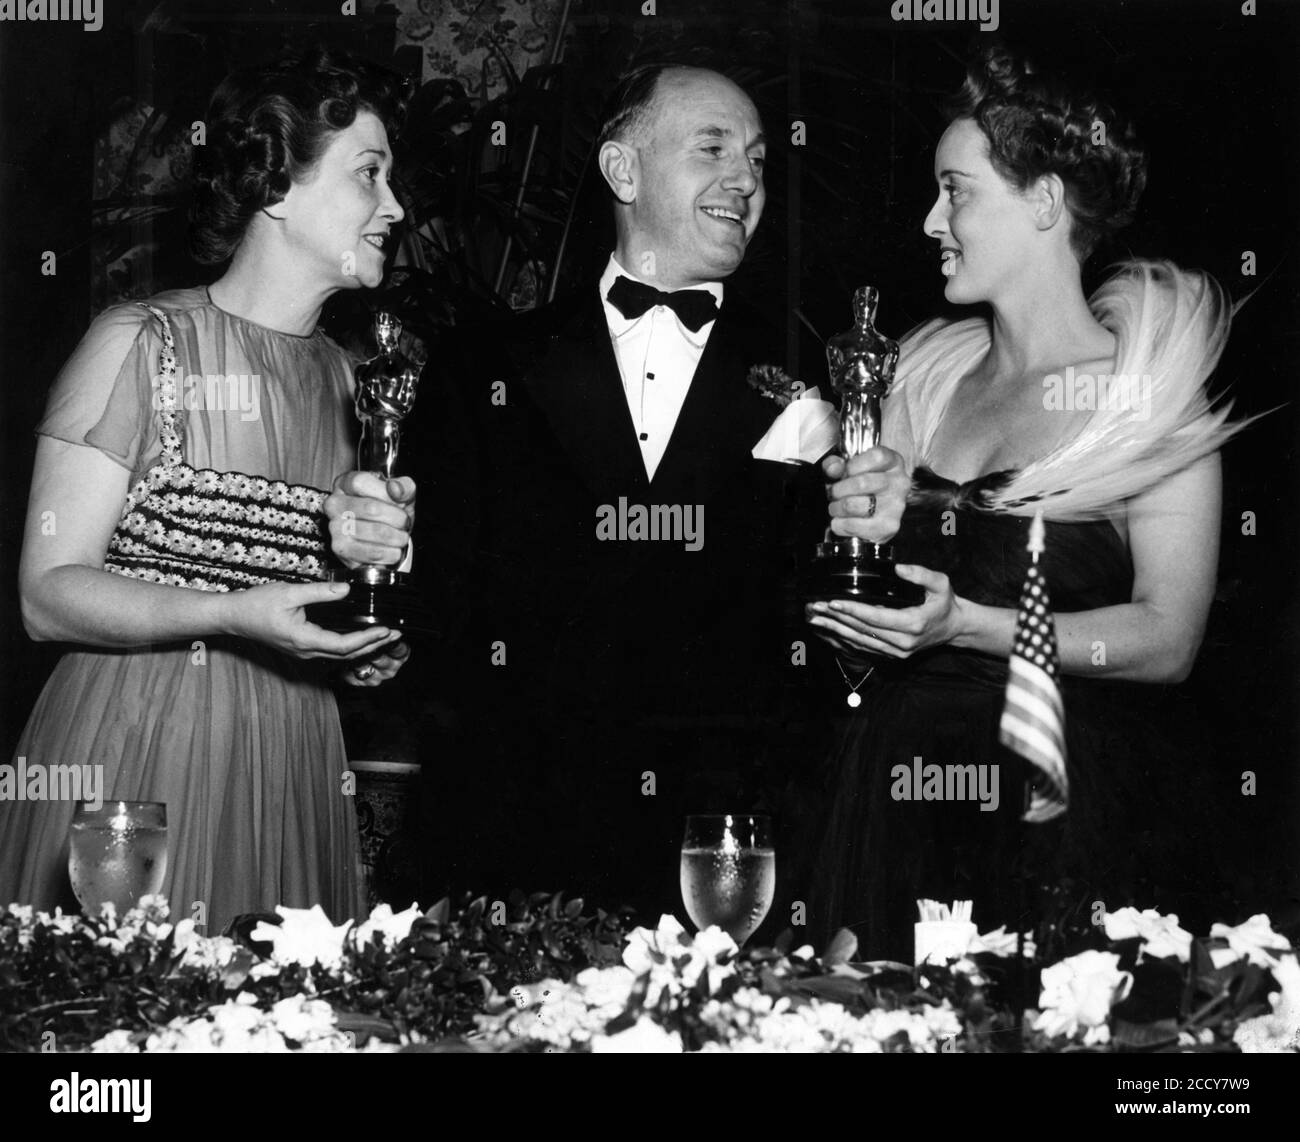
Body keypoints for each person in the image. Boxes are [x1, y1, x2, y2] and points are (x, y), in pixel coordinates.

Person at [327, 64, 911, 917]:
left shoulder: (809, 374)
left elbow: (829, 644)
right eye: (712, 147)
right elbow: (429, 607)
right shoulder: (481, 366)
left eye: (756, 158)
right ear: (622, 171)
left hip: (718, 856)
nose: (746, 178)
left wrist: (869, 543)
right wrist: (375, 562)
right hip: (511, 847)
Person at [804, 45, 1248, 960]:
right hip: (895, 797)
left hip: (1062, 804)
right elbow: (856, 636)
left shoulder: (1147, 394)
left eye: (955, 191)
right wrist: (862, 550)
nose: (931, 219)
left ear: (1044, 203)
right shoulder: (919, 382)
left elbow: (1168, 640)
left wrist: (967, 623)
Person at [0, 47, 414, 933]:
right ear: (274, 183)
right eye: (369, 175)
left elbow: (316, 610)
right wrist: (230, 615)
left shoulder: (352, 382)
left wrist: (364, 636)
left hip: (298, 759)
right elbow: (45, 595)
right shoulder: (139, 343)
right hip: (144, 746)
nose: (396, 208)